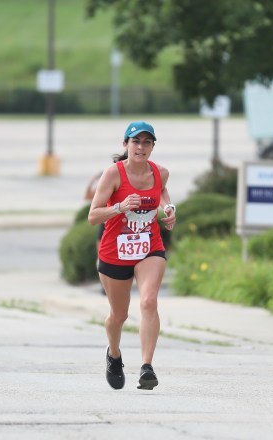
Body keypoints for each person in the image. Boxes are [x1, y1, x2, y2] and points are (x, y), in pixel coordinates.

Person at [88, 121, 176, 391]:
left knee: (149, 301)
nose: (141, 147)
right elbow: (93, 216)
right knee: (119, 315)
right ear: (125, 145)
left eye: (146, 142)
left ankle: (147, 366)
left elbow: (161, 193)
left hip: (149, 246)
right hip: (115, 251)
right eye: (135, 142)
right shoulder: (113, 174)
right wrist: (119, 207)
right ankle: (114, 354)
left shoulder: (160, 172)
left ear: (152, 146)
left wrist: (169, 209)